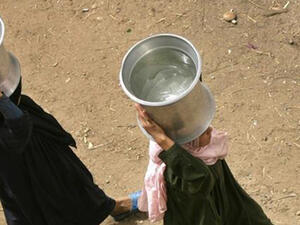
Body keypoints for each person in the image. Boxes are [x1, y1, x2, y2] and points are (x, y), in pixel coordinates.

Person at [0, 79, 141, 225]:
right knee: (50, 203)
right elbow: (18, 127)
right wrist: (3, 101)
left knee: (73, 182)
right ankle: (115, 207)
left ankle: (114, 207)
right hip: (20, 161)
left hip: (36, 144)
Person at [135, 103, 273, 225]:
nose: (211, 131)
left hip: (225, 205)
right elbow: (201, 177)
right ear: (186, 141)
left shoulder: (204, 151)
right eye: (202, 131)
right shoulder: (177, 170)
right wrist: (162, 139)